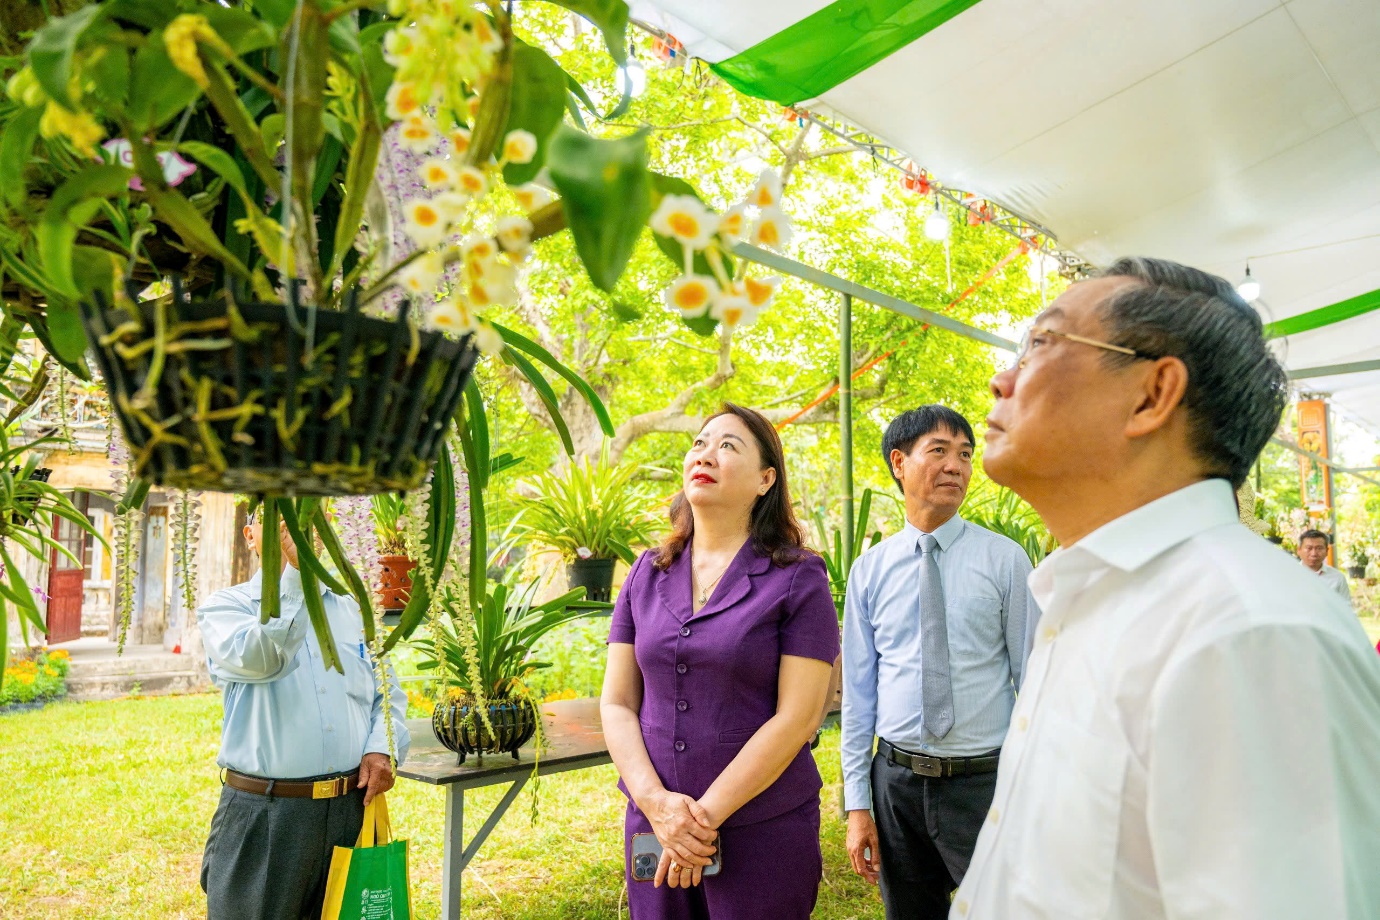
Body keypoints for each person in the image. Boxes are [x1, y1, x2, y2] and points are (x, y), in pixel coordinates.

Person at [954, 256, 1380, 919]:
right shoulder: (1080, 600)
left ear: (1152, 395)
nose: (1000, 378)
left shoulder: (1250, 634)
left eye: (1040, 342)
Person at [601, 403, 841, 919]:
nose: (706, 454)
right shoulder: (646, 572)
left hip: (763, 828)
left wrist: (699, 821)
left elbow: (799, 716)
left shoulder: (798, 578)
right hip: (654, 826)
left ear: (765, 480)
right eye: (699, 443)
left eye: (728, 446)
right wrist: (658, 806)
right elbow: (617, 703)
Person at [841, 405, 1039, 919]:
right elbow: (859, 696)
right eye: (939, 451)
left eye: (966, 454)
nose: (956, 465)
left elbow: (1036, 681)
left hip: (984, 785)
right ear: (899, 462)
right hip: (896, 785)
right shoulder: (870, 570)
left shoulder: (1005, 561)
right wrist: (858, 804)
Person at [197, 508, 409, 920]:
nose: (290, 520)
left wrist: (382, 748)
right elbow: (263, 657)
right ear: (250, 536)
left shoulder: (352, 609)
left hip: (350, 809)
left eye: (302, 510)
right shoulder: (227, 607)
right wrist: (296, 574)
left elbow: (388, 692)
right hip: (267, 815)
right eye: (274, 511)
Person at [1296, 528, 1352, 605]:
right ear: (1299, 550)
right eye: (1309, 548)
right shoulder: (1288, 576)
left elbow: (1346, 607)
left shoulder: (1337, 578)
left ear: (1326, 551)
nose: (1314, 553)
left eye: (1319, 548)